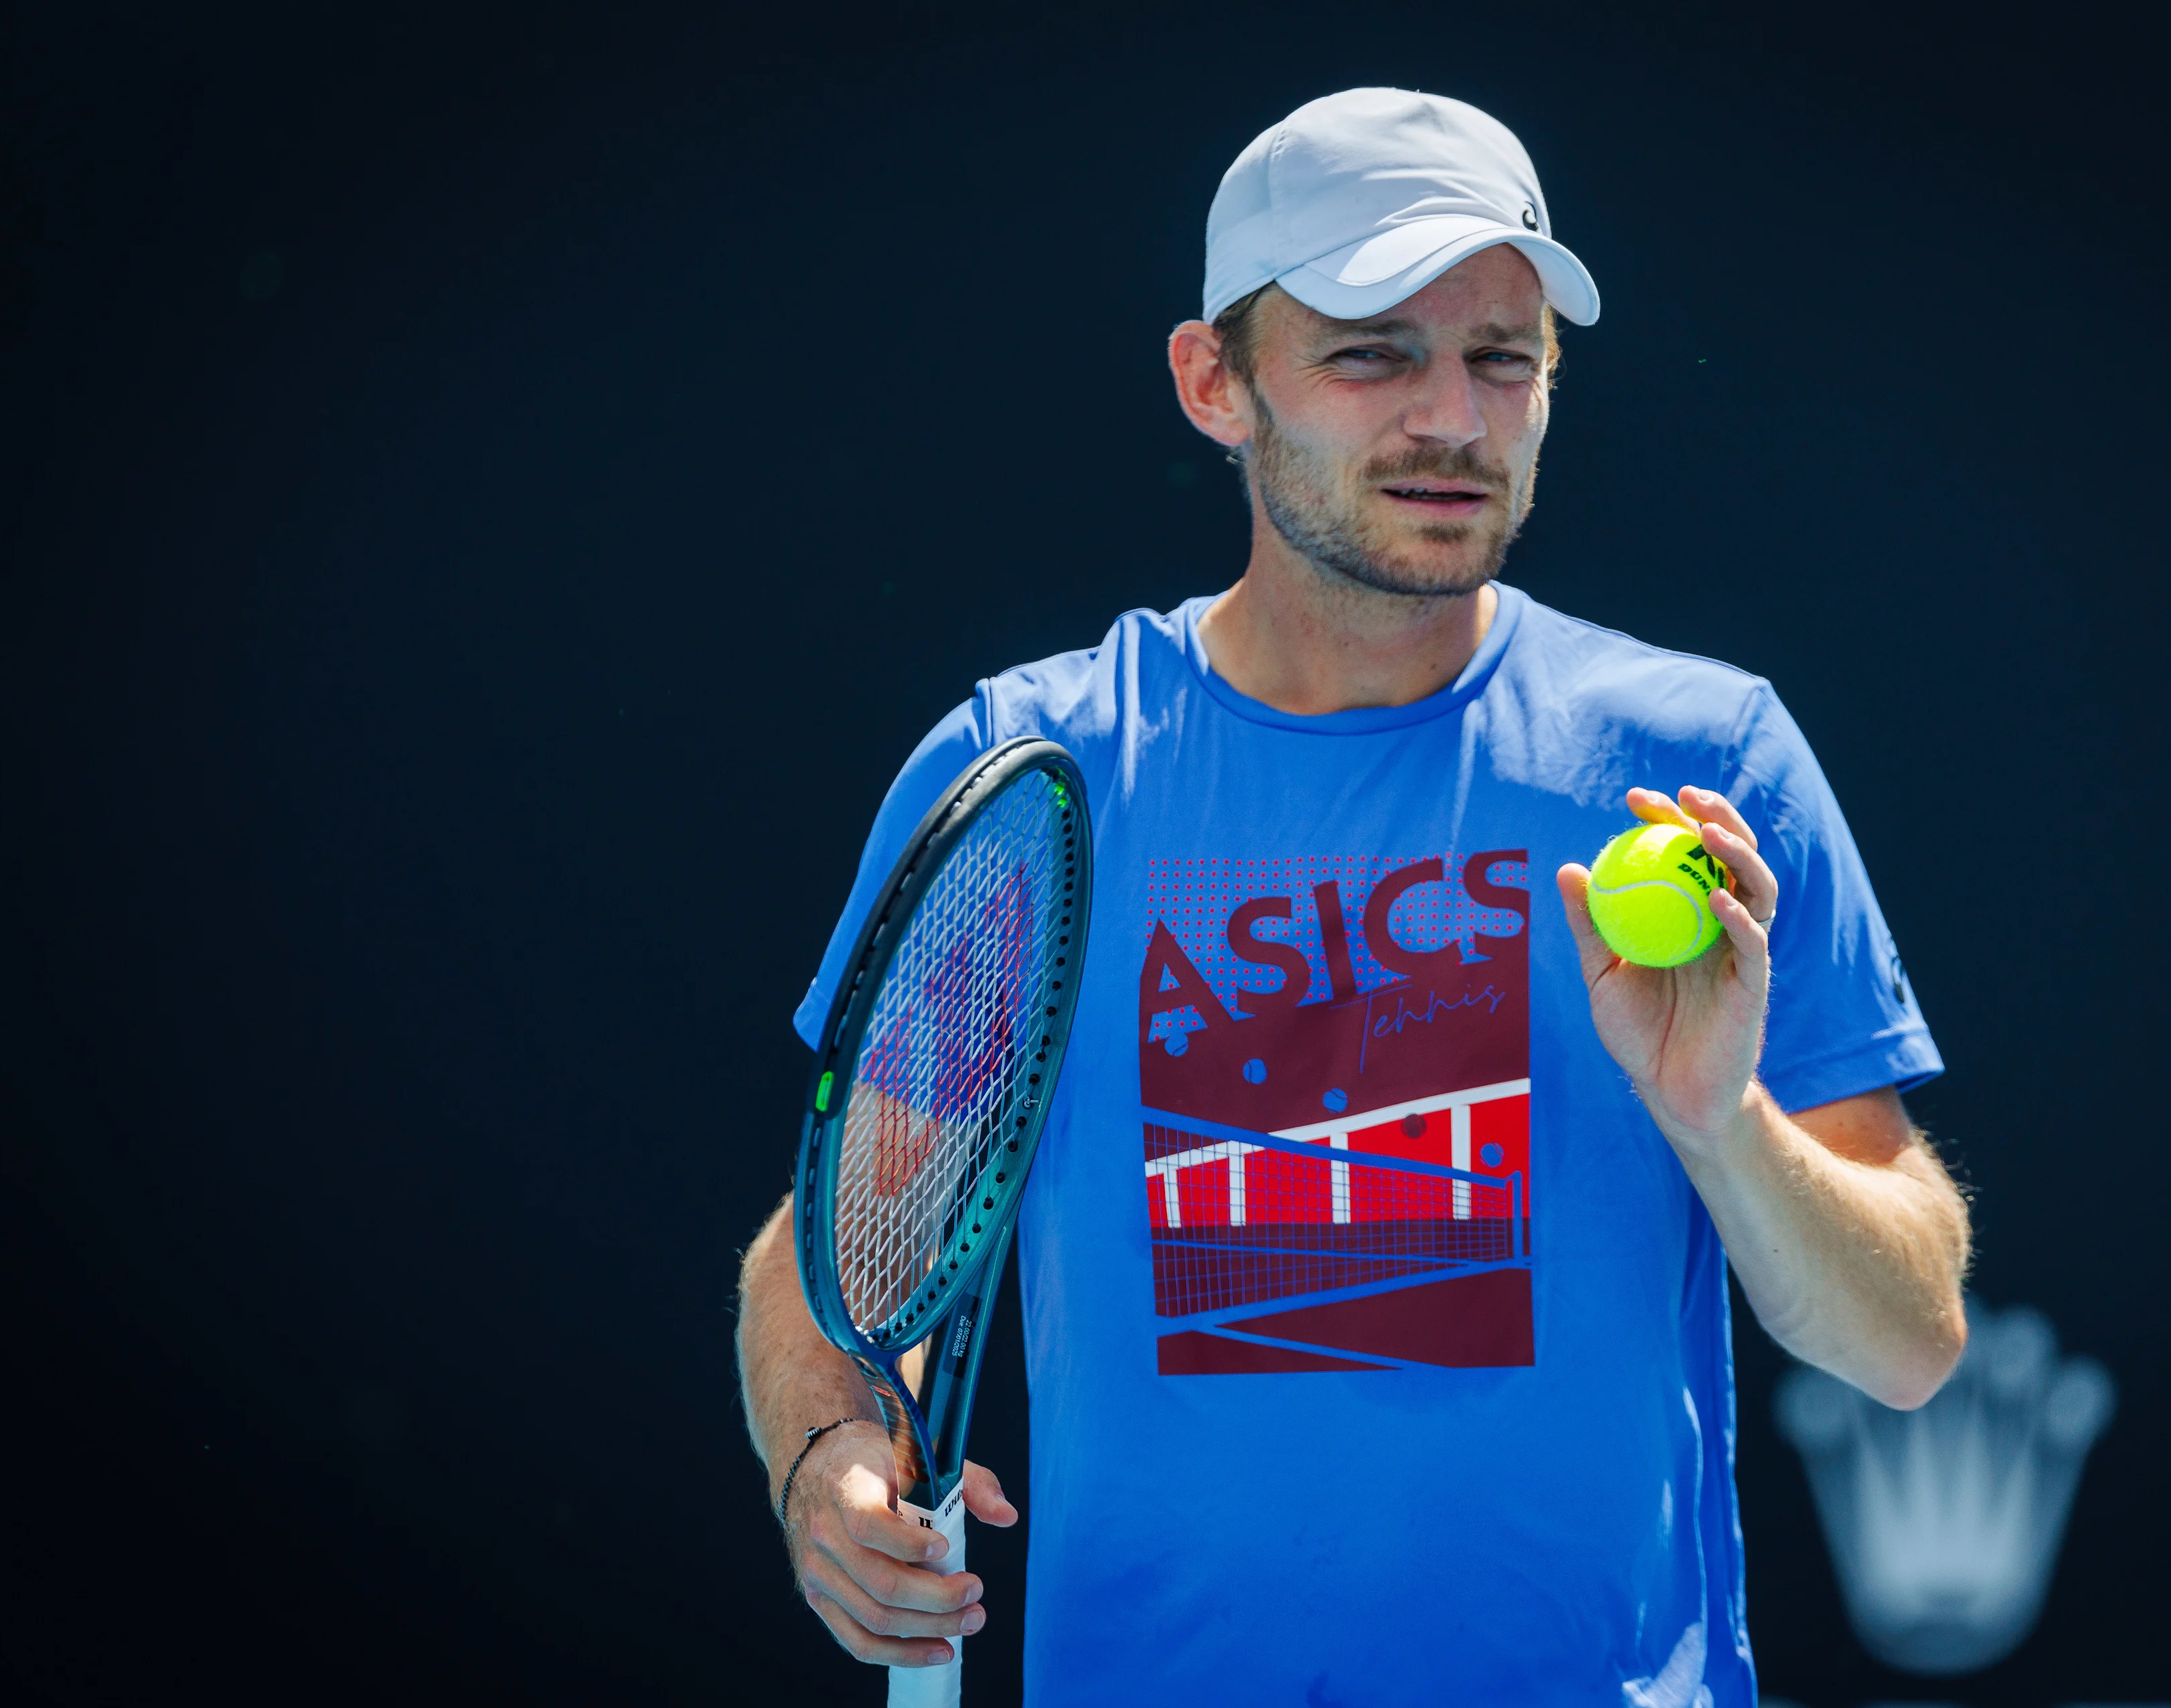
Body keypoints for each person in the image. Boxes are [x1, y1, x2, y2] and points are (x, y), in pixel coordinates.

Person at [737, 88, 1970, 1705]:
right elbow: (845, 1242)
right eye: (1376, 353)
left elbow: (1908, 1335)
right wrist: (831, 1451)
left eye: (1503, 357)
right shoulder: (1038, 763)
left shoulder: (1702, 757)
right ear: (1215, 382)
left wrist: (1720, 1117)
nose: (1453, 416)